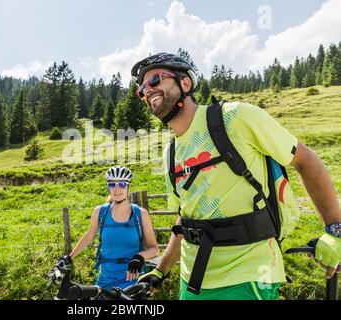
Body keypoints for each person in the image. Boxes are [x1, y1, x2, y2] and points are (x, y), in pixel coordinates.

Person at [132, 52, 341, 300]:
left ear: (185, 83)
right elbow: (185, 218)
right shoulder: (170, 152)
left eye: (154, 79)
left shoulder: (235, 117)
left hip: (249, 275)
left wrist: (335, 230)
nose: (147, 90)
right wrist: (161, 269)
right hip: (191, 282)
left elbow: (306, 161)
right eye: (141, 89)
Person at [57, 165, 159, 291]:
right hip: (105, 279)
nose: (117, 189)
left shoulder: (140, 214)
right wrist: (69, 257)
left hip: (131, 279)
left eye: (121, 184)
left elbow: (154, 250)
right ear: (108, 187)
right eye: (112, 184)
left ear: (128, 187)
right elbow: (89, 236)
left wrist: (139, 257)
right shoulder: (100, 212)